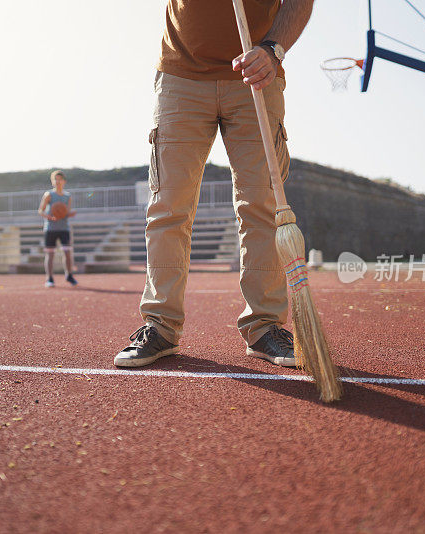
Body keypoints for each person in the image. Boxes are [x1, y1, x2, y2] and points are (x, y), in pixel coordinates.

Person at [114, 0, 314, 367]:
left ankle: (265, 327)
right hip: (181, 75)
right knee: (168, 207)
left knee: (263, 207)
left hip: (258, 73)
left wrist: (273, 50)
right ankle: (160, 326)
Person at [38, 170, 78, 287]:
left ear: (64, 181)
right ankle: (49, 278)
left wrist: (70, 214)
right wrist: (49, 216)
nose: (57, 181)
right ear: (52, 182)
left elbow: (66, 212)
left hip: (64, 228)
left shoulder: (67, 196)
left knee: (67, 252)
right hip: (50, 228)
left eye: (59, 179)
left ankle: (69, 275)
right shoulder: (49, 195)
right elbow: (40, 210)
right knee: (50, 254)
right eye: (55, 179)